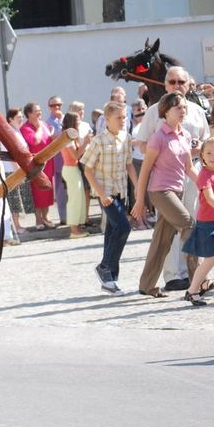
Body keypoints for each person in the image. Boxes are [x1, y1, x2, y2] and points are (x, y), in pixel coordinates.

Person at [134, 65, 210, 292]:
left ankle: (146, 285)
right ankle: (195, 281)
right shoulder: (157, 132)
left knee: (162, 239)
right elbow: (145, 166)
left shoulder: (186, 130)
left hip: (183, 182)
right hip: (161, 188)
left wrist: (205, 186)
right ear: (166, 111)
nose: (182, 111)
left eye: (181, 82)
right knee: (189, 225)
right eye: (172, 82)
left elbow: (190, 165)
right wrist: (139, 200)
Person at [81, 101, 138, 296]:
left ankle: (110, 279)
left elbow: (129, 165)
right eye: (118, 117)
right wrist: (101, 193)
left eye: (124, 117)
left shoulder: (126, 137)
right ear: (107, 119)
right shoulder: (98, 141)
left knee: (112, 231)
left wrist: (137, 187)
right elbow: (87, 169)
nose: (123, 121)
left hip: (121, 191)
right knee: (124, 227)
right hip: (105, 193)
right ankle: (105, 267)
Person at [181, 137, 214, 306]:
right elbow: (210, 199)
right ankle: (192, 290)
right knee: (210, 259)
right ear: (201, 156)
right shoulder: (204, 175)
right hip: (208, 224)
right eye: (209, 153)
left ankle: (194, 290)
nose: (212, 156)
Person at [20, 102, 55, 230]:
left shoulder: (44, 124)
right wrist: (39, 128)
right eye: (36, 111)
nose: (40, 113)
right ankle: (38, 220)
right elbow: (35, 140)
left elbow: (50, 140)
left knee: (48, 190)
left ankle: (46, 217)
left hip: (48, 163)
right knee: (38, 192)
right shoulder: (26, 128)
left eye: (40, 110)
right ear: (29, 114)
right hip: (36, 165)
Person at [60, 112, 90, 238]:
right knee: (74, 200)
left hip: (73, 169)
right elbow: (76, 156)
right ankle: (73, 230)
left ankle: (77, 227)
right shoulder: (67, 138)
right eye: (77, 121)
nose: (79, 123)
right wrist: (86, 143)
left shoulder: (70, 136)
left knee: (79, 199)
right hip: (70, 170)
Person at [1, 107, 29, 234]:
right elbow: (12, 155)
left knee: (17, 199)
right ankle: (16, 226)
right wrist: (18, 172)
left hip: (17, 169)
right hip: (11, 170)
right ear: (10, 119)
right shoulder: (10, 133)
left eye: (22, 117)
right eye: (18, 117)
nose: (21, 119)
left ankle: (17, 225)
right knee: (14, 199)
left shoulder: (17, 131)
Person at [46, 96, 67, 225]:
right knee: (61, 191)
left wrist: (63, 120)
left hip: (71, 158)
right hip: (59, 160)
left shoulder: (66, 119)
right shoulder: (48, 123)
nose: (57, 107)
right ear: (49, 107)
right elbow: (56, 137)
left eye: (59, 105)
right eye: (54, 105)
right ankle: (64, 217)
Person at [129, 100, 150, 230]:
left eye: (143, 108)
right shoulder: (130, 125)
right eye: (138, 109)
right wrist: (139, 141)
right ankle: (138, 220)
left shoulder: (149, 123)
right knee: (137, 190)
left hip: (148, 160)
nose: (141, 111)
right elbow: (127, 141)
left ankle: (145, 218)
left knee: (147, 191)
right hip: (135, 160)